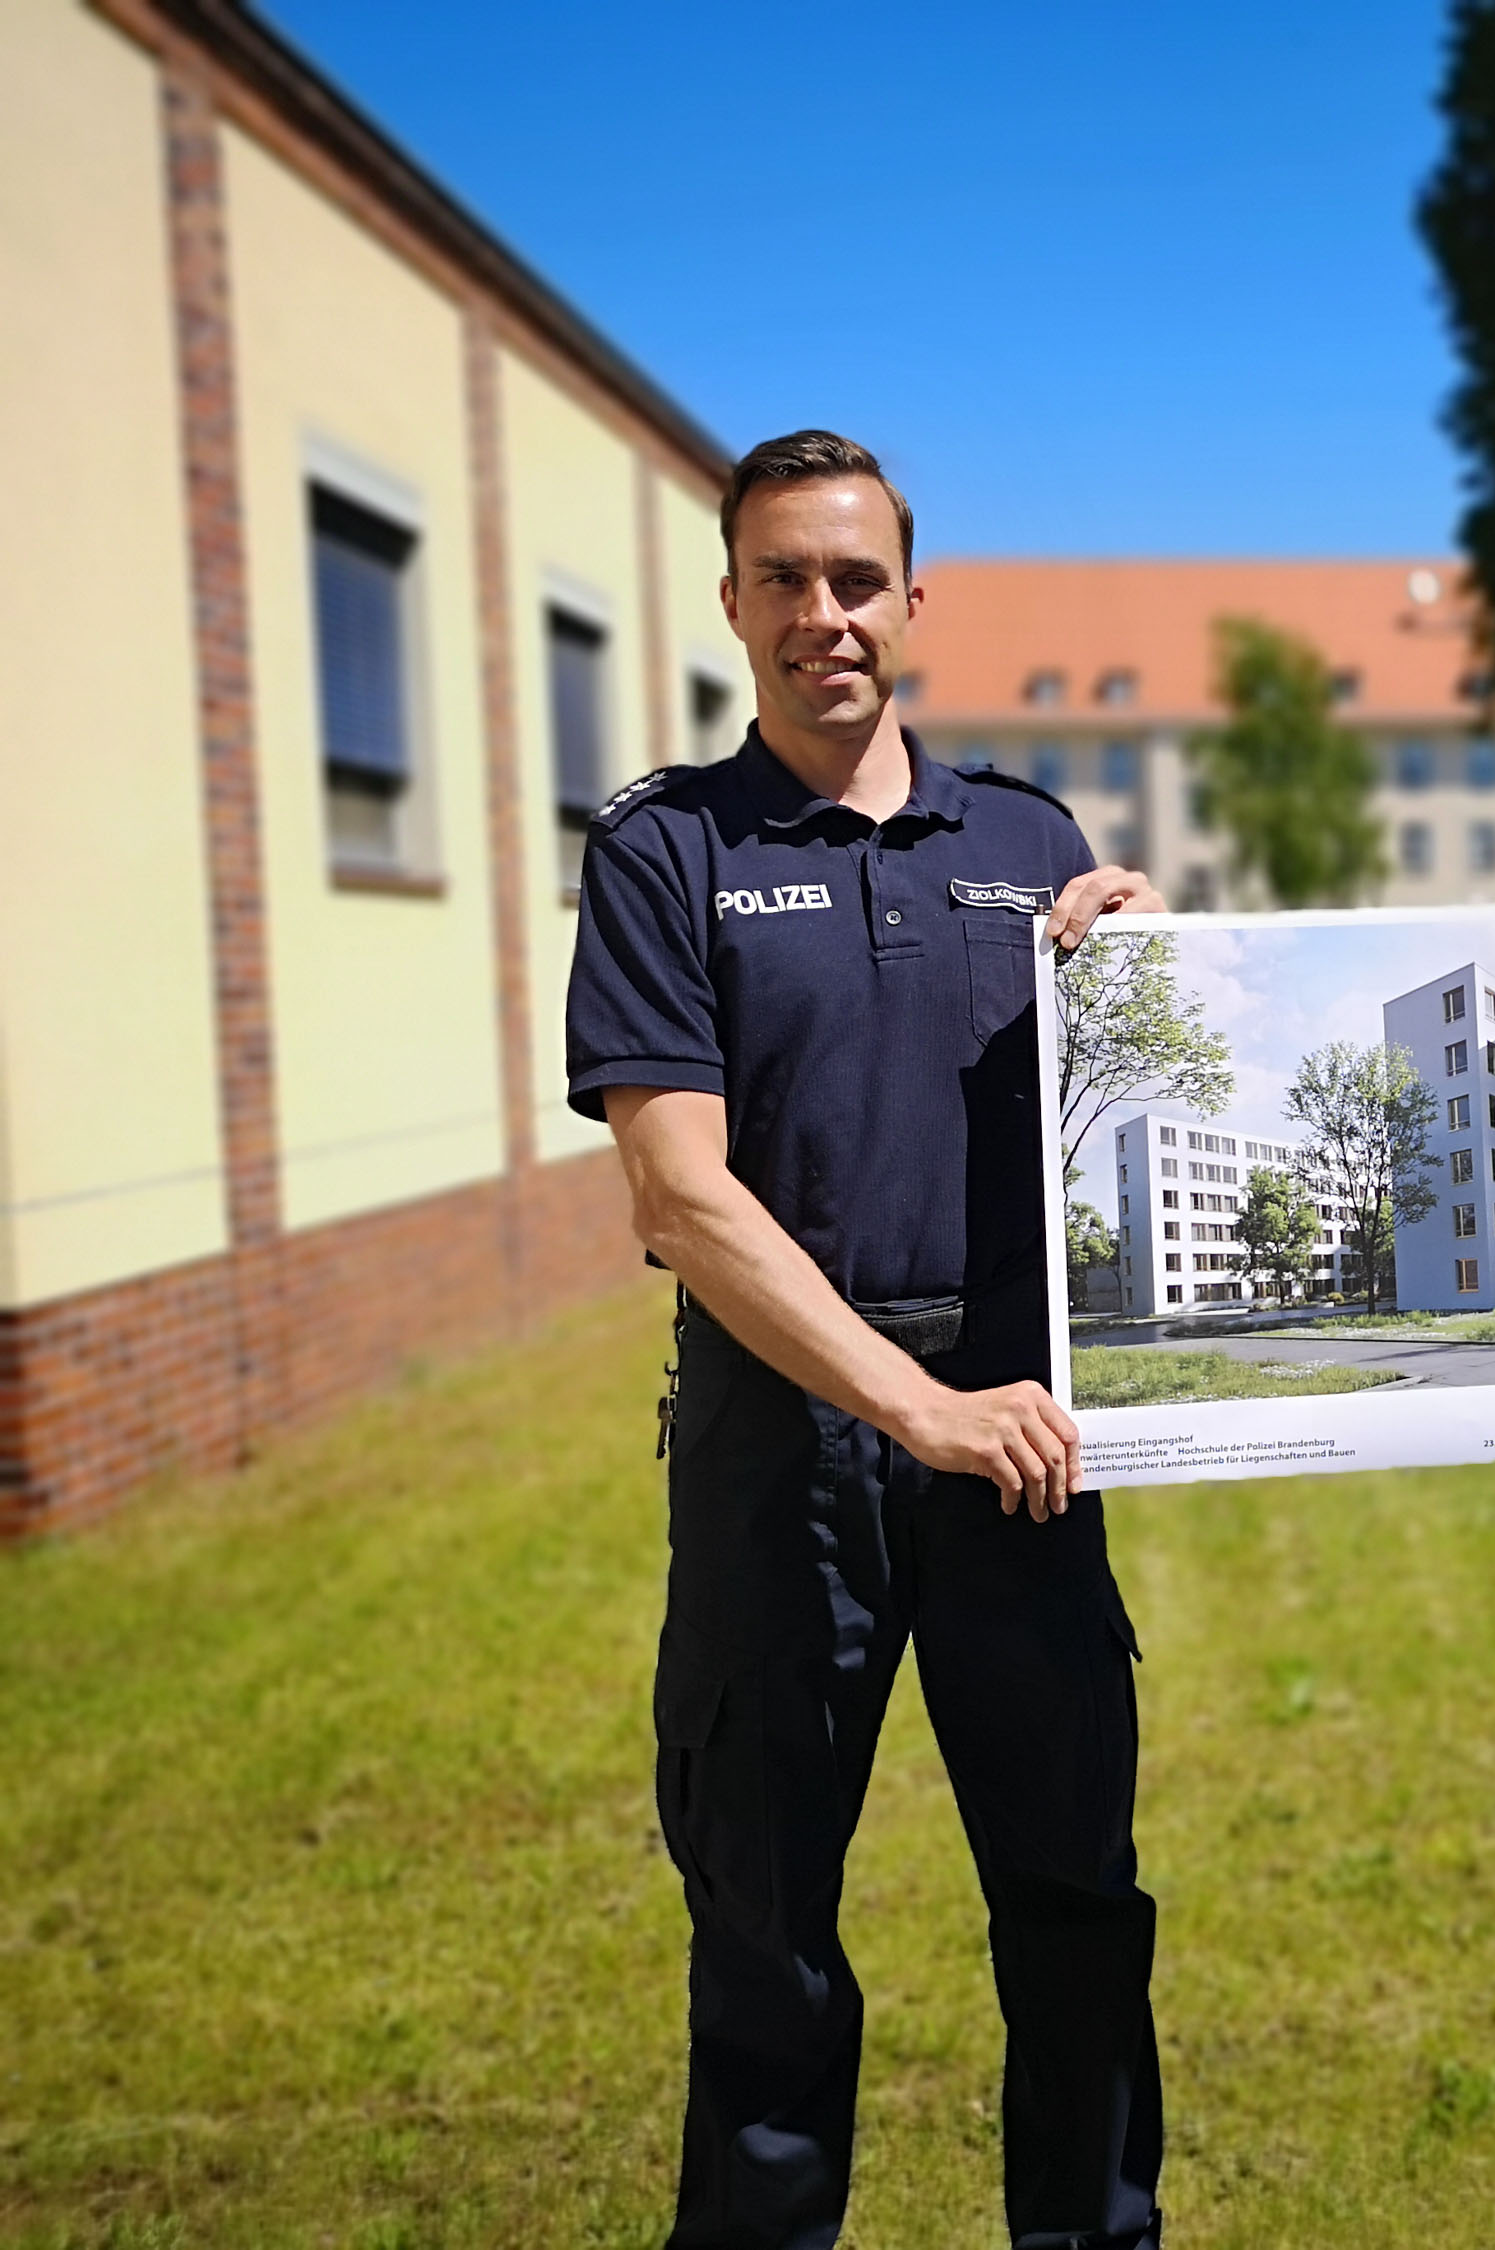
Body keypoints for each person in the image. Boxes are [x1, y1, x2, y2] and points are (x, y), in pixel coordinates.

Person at [565, 429, 1169, 2250]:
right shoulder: (667, 850)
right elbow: (680, 1197)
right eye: (783, 579)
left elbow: (1134, 1138)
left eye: (855, 579)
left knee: (1076, 1908)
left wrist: (1142, 976)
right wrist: (914, 1408)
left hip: (1022, 1442)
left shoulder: (1030, 844)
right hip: (791, 1453)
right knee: (763, 1931)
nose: (822, 614)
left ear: (914, 600)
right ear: (732, 599)